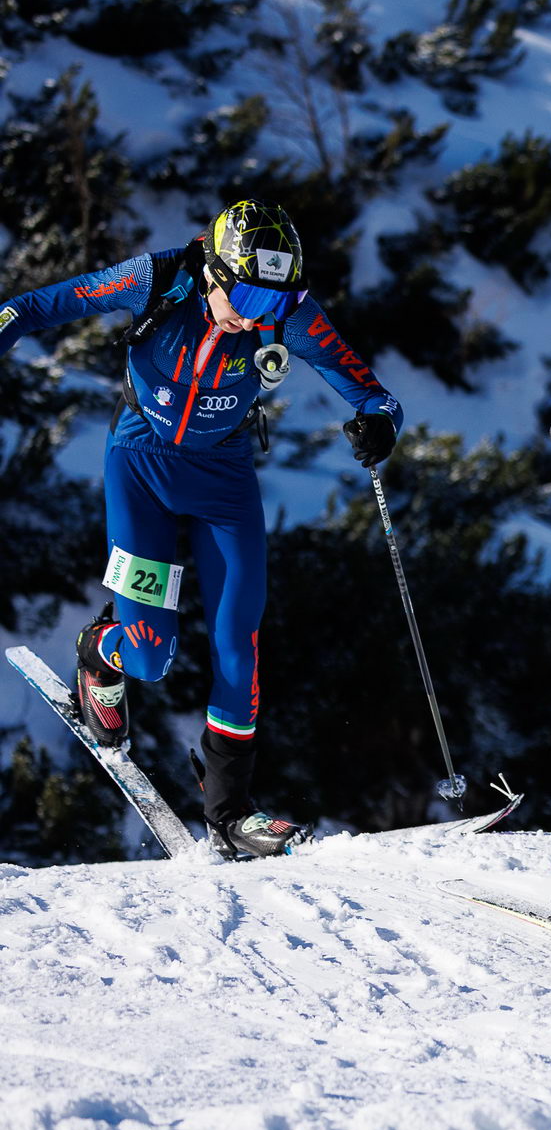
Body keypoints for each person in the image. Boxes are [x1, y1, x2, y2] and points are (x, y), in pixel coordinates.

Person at [0, 200, 403, 858]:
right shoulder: (155, 279)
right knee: (151, 655)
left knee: (237, 638)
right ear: (213, 271)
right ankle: (99, 650)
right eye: (242, 294)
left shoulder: (284, 313)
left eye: (272, 303)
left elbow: (371, 391)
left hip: (223, 478)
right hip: (141, 465)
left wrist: (380, 421)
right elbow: (36, 306)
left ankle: (230, 812)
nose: (254, 316)